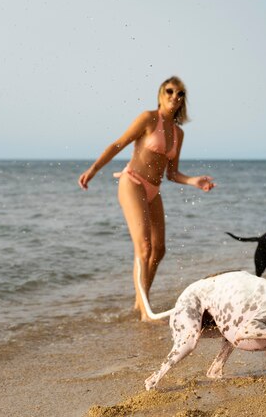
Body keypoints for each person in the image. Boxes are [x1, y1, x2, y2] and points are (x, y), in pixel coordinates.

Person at [78, 76, 215, 321]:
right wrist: (93, 169)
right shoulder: (148, 118)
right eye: (170, 91)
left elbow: (172, 173)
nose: (175, 96)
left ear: (183, 100)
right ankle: (145, 311)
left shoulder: (178, 133)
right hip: (132, 182)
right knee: (143, 248)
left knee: (159, 250)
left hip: (154, 188)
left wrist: (194, 181)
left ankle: (141, 300)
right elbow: (118, 144)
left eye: (180, 93)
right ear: (161, 94)